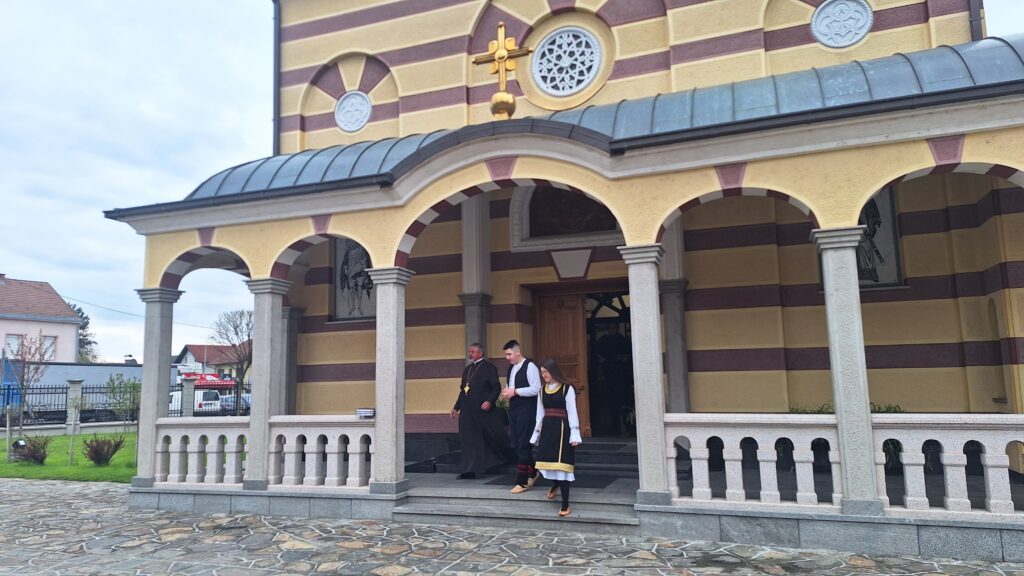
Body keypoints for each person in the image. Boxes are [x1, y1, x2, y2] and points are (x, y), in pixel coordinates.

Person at [530, 358, 582, 517]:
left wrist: (575, 433)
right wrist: (536, 434)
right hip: (547, 429)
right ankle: (555, 485)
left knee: (562, 467)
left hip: (562, 429)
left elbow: (572, 412)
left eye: (546, 372)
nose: (544, 375)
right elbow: (539, 414)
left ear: (553, 371)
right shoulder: (541, 390)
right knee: (546, 464)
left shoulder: (567, 389)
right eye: (542, 373)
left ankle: (565, 505)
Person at [450, 343, 508, 479]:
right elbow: (463, 390)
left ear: (481, 353)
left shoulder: (489, 368)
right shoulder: (468, 369)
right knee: (468, 440)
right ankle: (469, 470)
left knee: (484, 438)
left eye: (473, 352)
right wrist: (456, 407)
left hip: (482, 411)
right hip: (467, 411)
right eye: (469, 352)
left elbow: (496, 387)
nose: (470, 354)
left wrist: (489, 401)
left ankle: (493, 463)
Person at [499, 339, 541, 493]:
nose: (507, 357)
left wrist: (516, 392)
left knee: (524, 444)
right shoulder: (511, 368)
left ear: (518, 352)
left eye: (509, 354)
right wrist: (507, 392)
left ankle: (522, 481)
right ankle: (533, 471)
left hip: (527, 410)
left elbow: (536, 388)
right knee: (516, 443)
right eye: (506, 354)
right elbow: (510, 386)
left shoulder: (530, 366)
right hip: (514, 409)